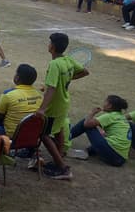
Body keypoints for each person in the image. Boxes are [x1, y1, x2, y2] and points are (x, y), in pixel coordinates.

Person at [36, 33, 89, 180]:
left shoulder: (54, 64)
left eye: (49, 43)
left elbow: (51, 89)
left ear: (52, 46)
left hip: (54, 105)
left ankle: (63, 168)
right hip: (64, 103)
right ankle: (58, 159)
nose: (48, 45)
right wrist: (67, 78)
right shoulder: (68, 60)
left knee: (44, 134)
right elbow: (85, 71)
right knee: (58, 130)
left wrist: (41, 109)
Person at [68, 95, 130, 167]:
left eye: (105, 101)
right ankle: (86, 152)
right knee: (99, 133)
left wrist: (92, 113)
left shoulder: (110, 116)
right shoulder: (121, 117)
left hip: (114, 155)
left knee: (86, 121)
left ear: (109, 106)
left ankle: (65, 138)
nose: (103, 103)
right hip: (120, 159)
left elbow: (87, 124)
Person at [0, 64, 42, 138]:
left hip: (12, 134)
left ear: (17, 78)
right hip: (32, 135)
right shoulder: (39, 96)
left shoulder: (8, 94)